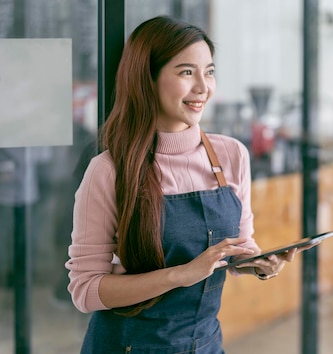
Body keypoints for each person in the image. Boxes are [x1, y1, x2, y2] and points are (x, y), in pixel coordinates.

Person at [66, 16, 304, 353]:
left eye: (209, 71)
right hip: (129, 346)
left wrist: (256, 263)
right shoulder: (108, 171)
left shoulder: (232, 155)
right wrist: (181, 275)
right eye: (186, 72)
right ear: (147, 79)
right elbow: (85, 291)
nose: (203, 87)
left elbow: (241, 244)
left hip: (205, 344)